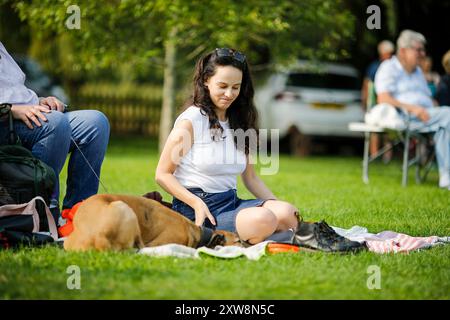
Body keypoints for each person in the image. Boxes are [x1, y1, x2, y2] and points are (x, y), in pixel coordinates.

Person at [155, 47, 364, 252]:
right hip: (197, 208)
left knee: (288, 213)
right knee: (265, 219)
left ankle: (280, 232)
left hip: (230, 201)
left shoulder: (240, 120)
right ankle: (267, 234)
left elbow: (251, 178)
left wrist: (280, 209)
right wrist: (196, 203)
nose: (229, 94)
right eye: (223, 86)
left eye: (236, 87)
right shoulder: (191, 120)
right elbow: (163, 174)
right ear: (206, 81)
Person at [0, 41, 110, 220]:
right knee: (55, 122)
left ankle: (79, 214)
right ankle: (45, 212)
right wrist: (11, 109)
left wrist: (39, 100)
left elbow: (12, 89)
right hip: (5, 121)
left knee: (96, 123)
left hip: (30, 113)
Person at [374, 30, 450, 190]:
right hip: (405, 118)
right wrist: (413, 108)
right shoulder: (388, 68)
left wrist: (433, 105)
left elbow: (428, 99)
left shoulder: (417, 73)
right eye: (418, 50)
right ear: (403, 51)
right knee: (448, 116)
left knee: (445, 124)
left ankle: (446, 176)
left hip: (429, 117)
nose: (422, 54)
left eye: (423, 50)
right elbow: (383, 98)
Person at [361, 40, 395, 161]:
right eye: (389, 53)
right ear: (382, 53)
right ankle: (374, 156)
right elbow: (366, 85)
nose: (391, 55)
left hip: (390, 102)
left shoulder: (395, 67)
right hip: (375, 102)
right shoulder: (374, 67)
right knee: (374, 129)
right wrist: (364, 101)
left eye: (392, 52)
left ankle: (387, 157)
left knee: (389, 129)